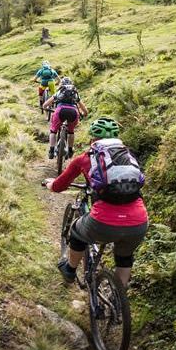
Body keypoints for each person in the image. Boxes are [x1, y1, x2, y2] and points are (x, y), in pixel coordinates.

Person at [42, 117, 148, 288]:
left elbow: (59, 186)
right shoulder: (128, 156)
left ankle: (70, 270)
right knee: (124, 256)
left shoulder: (85, 159)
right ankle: (119, 298)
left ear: (92, 138)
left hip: (103, 222)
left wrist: (50, 184)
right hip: (139, 222)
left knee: (76, 232)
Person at [42, 77, 88, 159]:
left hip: (60, 111)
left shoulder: (60, 91)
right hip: (73, 112)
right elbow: (84, 109)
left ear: (61, 84)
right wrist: (84, 114)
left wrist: (46, 108)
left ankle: (51, 150)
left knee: (53, 131)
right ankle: (70, 150)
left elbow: (45, 104)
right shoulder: (75, 93)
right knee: (71, 132)